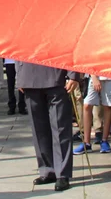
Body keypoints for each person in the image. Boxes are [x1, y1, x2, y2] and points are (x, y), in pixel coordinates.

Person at [16, 62, 79, 191]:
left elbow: (70, 44)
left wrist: (73, 75)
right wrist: (20, 76)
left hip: (56, 75)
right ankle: (47, 170)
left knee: (60, 127)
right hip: (29, 76)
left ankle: (62, 172)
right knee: (39, 129)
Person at [75, 74, 111, 154]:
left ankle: (104, 140)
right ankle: (86, 143)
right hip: (93, 75)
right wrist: (94, 77)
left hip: (110, 75)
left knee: (108, 107)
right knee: (87, 105)